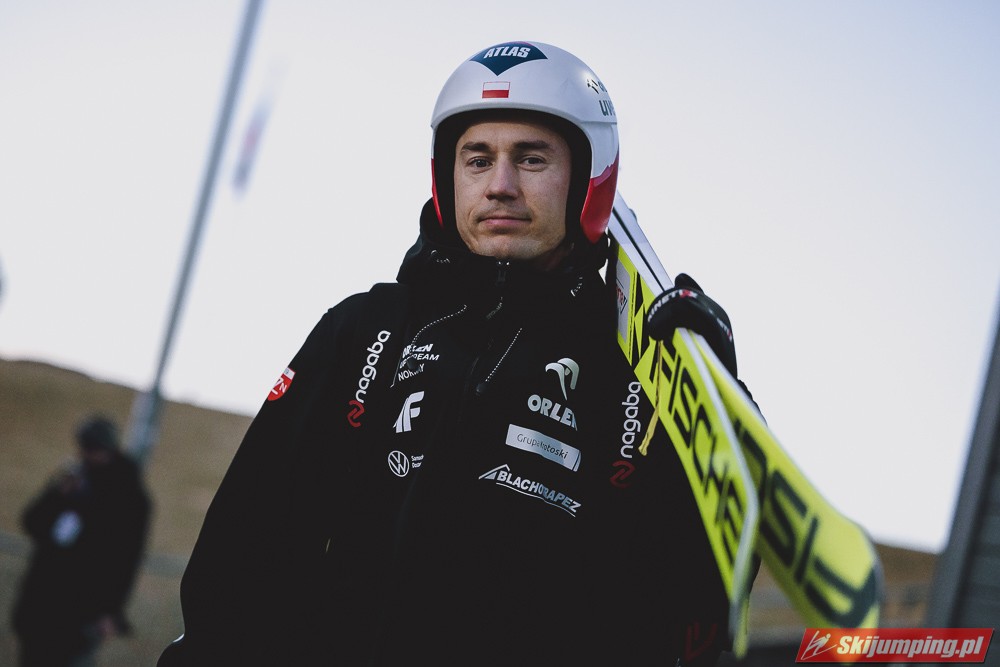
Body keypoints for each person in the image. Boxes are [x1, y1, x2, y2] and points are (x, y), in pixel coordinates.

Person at [159, 41, 755, 666]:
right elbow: (251, 540)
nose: (500, 186)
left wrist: (717, 400)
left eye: (531, 159)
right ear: (447, 177)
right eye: (477, 159)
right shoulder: (368, 329)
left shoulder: (634, 372)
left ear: (589, 178)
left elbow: (691, 609)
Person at [12, 414, 151, 667]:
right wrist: (58, 495)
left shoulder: (128, 496)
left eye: (93, 449)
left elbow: (126, 559)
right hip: (43, 601)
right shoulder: (75, 479)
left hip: (83, 609)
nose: (87, 455)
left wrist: (109, 610)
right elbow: (33, 522)